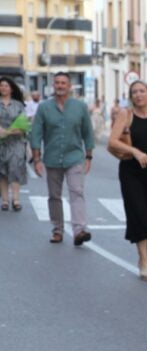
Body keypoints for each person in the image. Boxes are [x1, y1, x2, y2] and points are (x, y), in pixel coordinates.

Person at [107, 80, 147, 281]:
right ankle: (144, 259)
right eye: (134, 92)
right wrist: (134, 151)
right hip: (131, 171)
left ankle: (145, 252)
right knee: (139, 213)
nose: (138, 95)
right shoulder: (125, 115)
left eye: (142, 91)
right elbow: (112, 141)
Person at [30, 72, 94, 245]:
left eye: (63, 83)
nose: (60, 86)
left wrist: (89, 156)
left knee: (77, 192)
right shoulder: (44, 107)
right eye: (57, 83)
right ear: (53, 85)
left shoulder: (80, 107)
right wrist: (36, 159)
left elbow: (88, 132)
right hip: (51, 158)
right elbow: (35, 134)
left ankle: (79, 230)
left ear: (69, 86)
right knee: (54, 196)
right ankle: (57, 229)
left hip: (74, 157)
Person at [0, 77, 27, 212]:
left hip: (16, 142)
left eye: (6, 86)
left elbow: (24, 124)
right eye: (1, 86)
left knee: (15, 169)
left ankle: (16, 200)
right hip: (0, 143)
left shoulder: (19, 105)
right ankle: (5, 200)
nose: (3, 88)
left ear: (11, 88)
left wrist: (11, 131)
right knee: (2, 171)